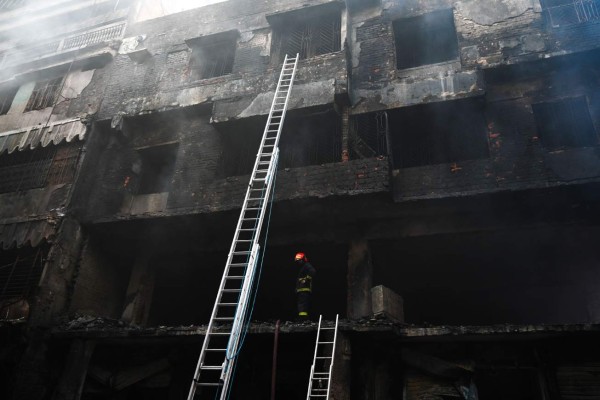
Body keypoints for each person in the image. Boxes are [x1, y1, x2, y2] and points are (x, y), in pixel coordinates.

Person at [294, 252, 316, 321]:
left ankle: (303, 318)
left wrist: (307, 279)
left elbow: (313, 271)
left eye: (299, 260)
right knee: (301, 304)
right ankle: (303, 318)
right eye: (297, 261)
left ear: (303, 259)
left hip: (304, 289)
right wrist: (297, 288)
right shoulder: (302, 267)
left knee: (302, 304)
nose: (298, 262)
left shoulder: (306, 265)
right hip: (301, 289)